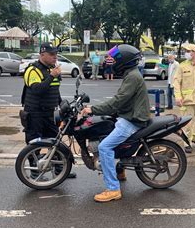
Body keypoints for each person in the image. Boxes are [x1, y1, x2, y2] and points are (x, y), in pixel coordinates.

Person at [80, 44, 150, 203]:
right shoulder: (131, 74)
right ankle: (120, 170)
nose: (110, 61)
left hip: (133, 120)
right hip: (129, 115)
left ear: (123, 61)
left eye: (113, 59)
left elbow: (117, 101)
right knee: (107, 129)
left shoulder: (133, 76)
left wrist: (93, 109)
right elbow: (123, 99)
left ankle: (113, 189)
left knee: (104, 147)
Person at [21, 42, 76, 178]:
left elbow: (54, 90)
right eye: (51, 54)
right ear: (42, 54)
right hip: (34, 113)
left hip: (49, 113)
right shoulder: (32, 70)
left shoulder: (52, 69)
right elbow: (38, 90)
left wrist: (63, 105)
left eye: (56, 54)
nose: (55, 57)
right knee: (34, 143)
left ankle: (59, 170)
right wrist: (52, 75)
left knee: (55, 142)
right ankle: (34, 172)